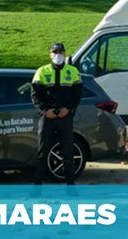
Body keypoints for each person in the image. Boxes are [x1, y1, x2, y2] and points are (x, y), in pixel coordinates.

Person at [30, 43, 83, 184]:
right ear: (50, 54)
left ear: (65, 54)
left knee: (68, 150)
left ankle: (70, 185)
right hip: (47, 117)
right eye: (55, 52)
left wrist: (68, 109)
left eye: (61, 52)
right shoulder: (42, 71)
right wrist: (45, 110)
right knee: (42, 150)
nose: (58, 55)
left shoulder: (73, 71)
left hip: (65, 117)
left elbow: (77, 94)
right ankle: (38, 184)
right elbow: (35, 95)